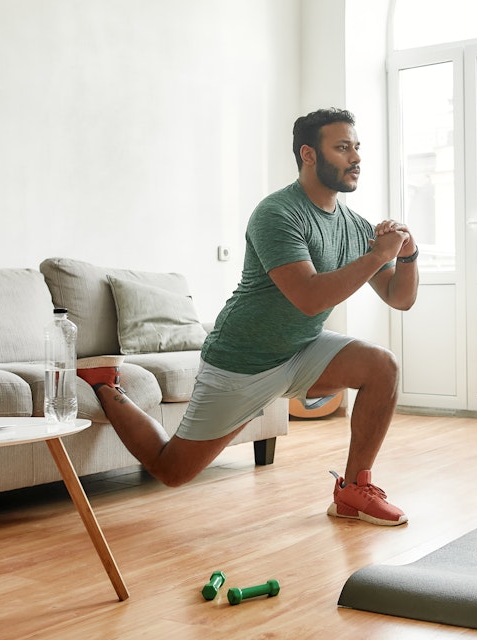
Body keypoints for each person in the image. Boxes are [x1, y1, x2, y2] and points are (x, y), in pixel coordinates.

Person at [77, 108, 419, 526]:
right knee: (171, 469)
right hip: (242, 359)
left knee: (382, 366)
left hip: (302, 349)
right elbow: (309, 298)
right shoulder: (277, 213)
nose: (356, 158)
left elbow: (400, 298)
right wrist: (378, 255)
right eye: (343, 148)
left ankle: (352, 492)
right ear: (309, 154)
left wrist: (408, 255)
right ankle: (106, 386)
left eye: (357, 147)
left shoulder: (355, 226)